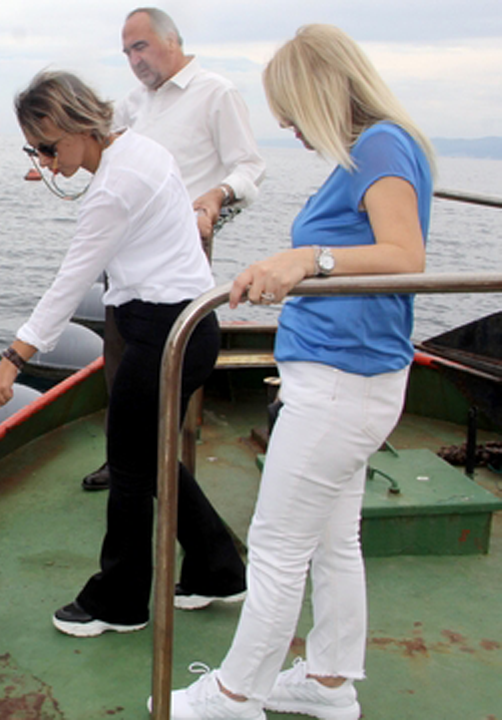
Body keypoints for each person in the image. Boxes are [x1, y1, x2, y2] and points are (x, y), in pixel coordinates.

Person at [161, 24, 434, 720]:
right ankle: (328, 681)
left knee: (279, 546)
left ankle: (234, 694)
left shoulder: (380, 145)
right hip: (354, 380)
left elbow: (404, 253)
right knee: (334, 540)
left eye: (290, 113)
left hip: (341, 386)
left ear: (318, 92)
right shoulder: (379, 148)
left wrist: (307, 258)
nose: (289, 129)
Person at [0, 69, 246, 637]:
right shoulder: (143, 151)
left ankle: (120, 602)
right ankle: (217, 567)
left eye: (49, 147)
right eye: (35, 150)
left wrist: (13, 359)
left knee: (127, 469)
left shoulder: (114, 189)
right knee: (146, 461)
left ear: (79, 125)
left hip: (162, 333)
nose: (46, 162)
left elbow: (70, 281)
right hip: (191, 324)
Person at [82, 6, 266, 492]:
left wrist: (217, 198)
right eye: (126, 51)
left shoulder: (216, 93)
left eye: (140, 46)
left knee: (175, 360)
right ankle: (122, 458)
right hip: (125, 250)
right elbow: (100, 144)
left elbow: (249, 168)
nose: (134, 60)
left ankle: (167, 461)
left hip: (182, 248)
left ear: (172, 40)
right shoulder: (133, 103)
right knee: (120, 354)